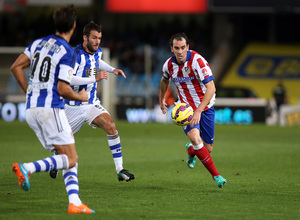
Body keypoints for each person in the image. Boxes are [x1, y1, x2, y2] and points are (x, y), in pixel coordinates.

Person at [10, 5, 95, 214]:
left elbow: (16, 67)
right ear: (74, 26)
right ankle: (27, 168)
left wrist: (29, 91)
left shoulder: (38, 43)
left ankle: (74, 201)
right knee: (72, 158)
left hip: (31, 109)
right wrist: (81, 96)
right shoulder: (66, 51)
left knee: (65, 154)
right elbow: (63, 89)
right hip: (51, 108)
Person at [49, 21, 134, 182]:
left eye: (99, 38)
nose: (97, 41)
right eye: (94, 38)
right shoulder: (74, 55)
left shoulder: (98, 51)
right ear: (85, 37)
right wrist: (93, 78)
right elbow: (68, 78)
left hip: (91, 103)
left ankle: (120, 169)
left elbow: (97, 61)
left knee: (111, 126)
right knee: (63, 142)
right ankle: (55, 160)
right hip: (71, 106)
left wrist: (111, 69)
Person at [159, 33, 227, 188]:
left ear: (188, 47)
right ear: (172, 49)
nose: (180, 51)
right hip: (185, 109)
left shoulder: (197, 61)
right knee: (196, 139)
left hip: (205, 107)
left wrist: (199, 111)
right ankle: (216, 176)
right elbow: (164, 79)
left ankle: (191, 151)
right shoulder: (168, 65)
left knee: (207, 148)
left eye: (183, 48)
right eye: (177, 48)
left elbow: (211, 88)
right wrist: (162, 98)